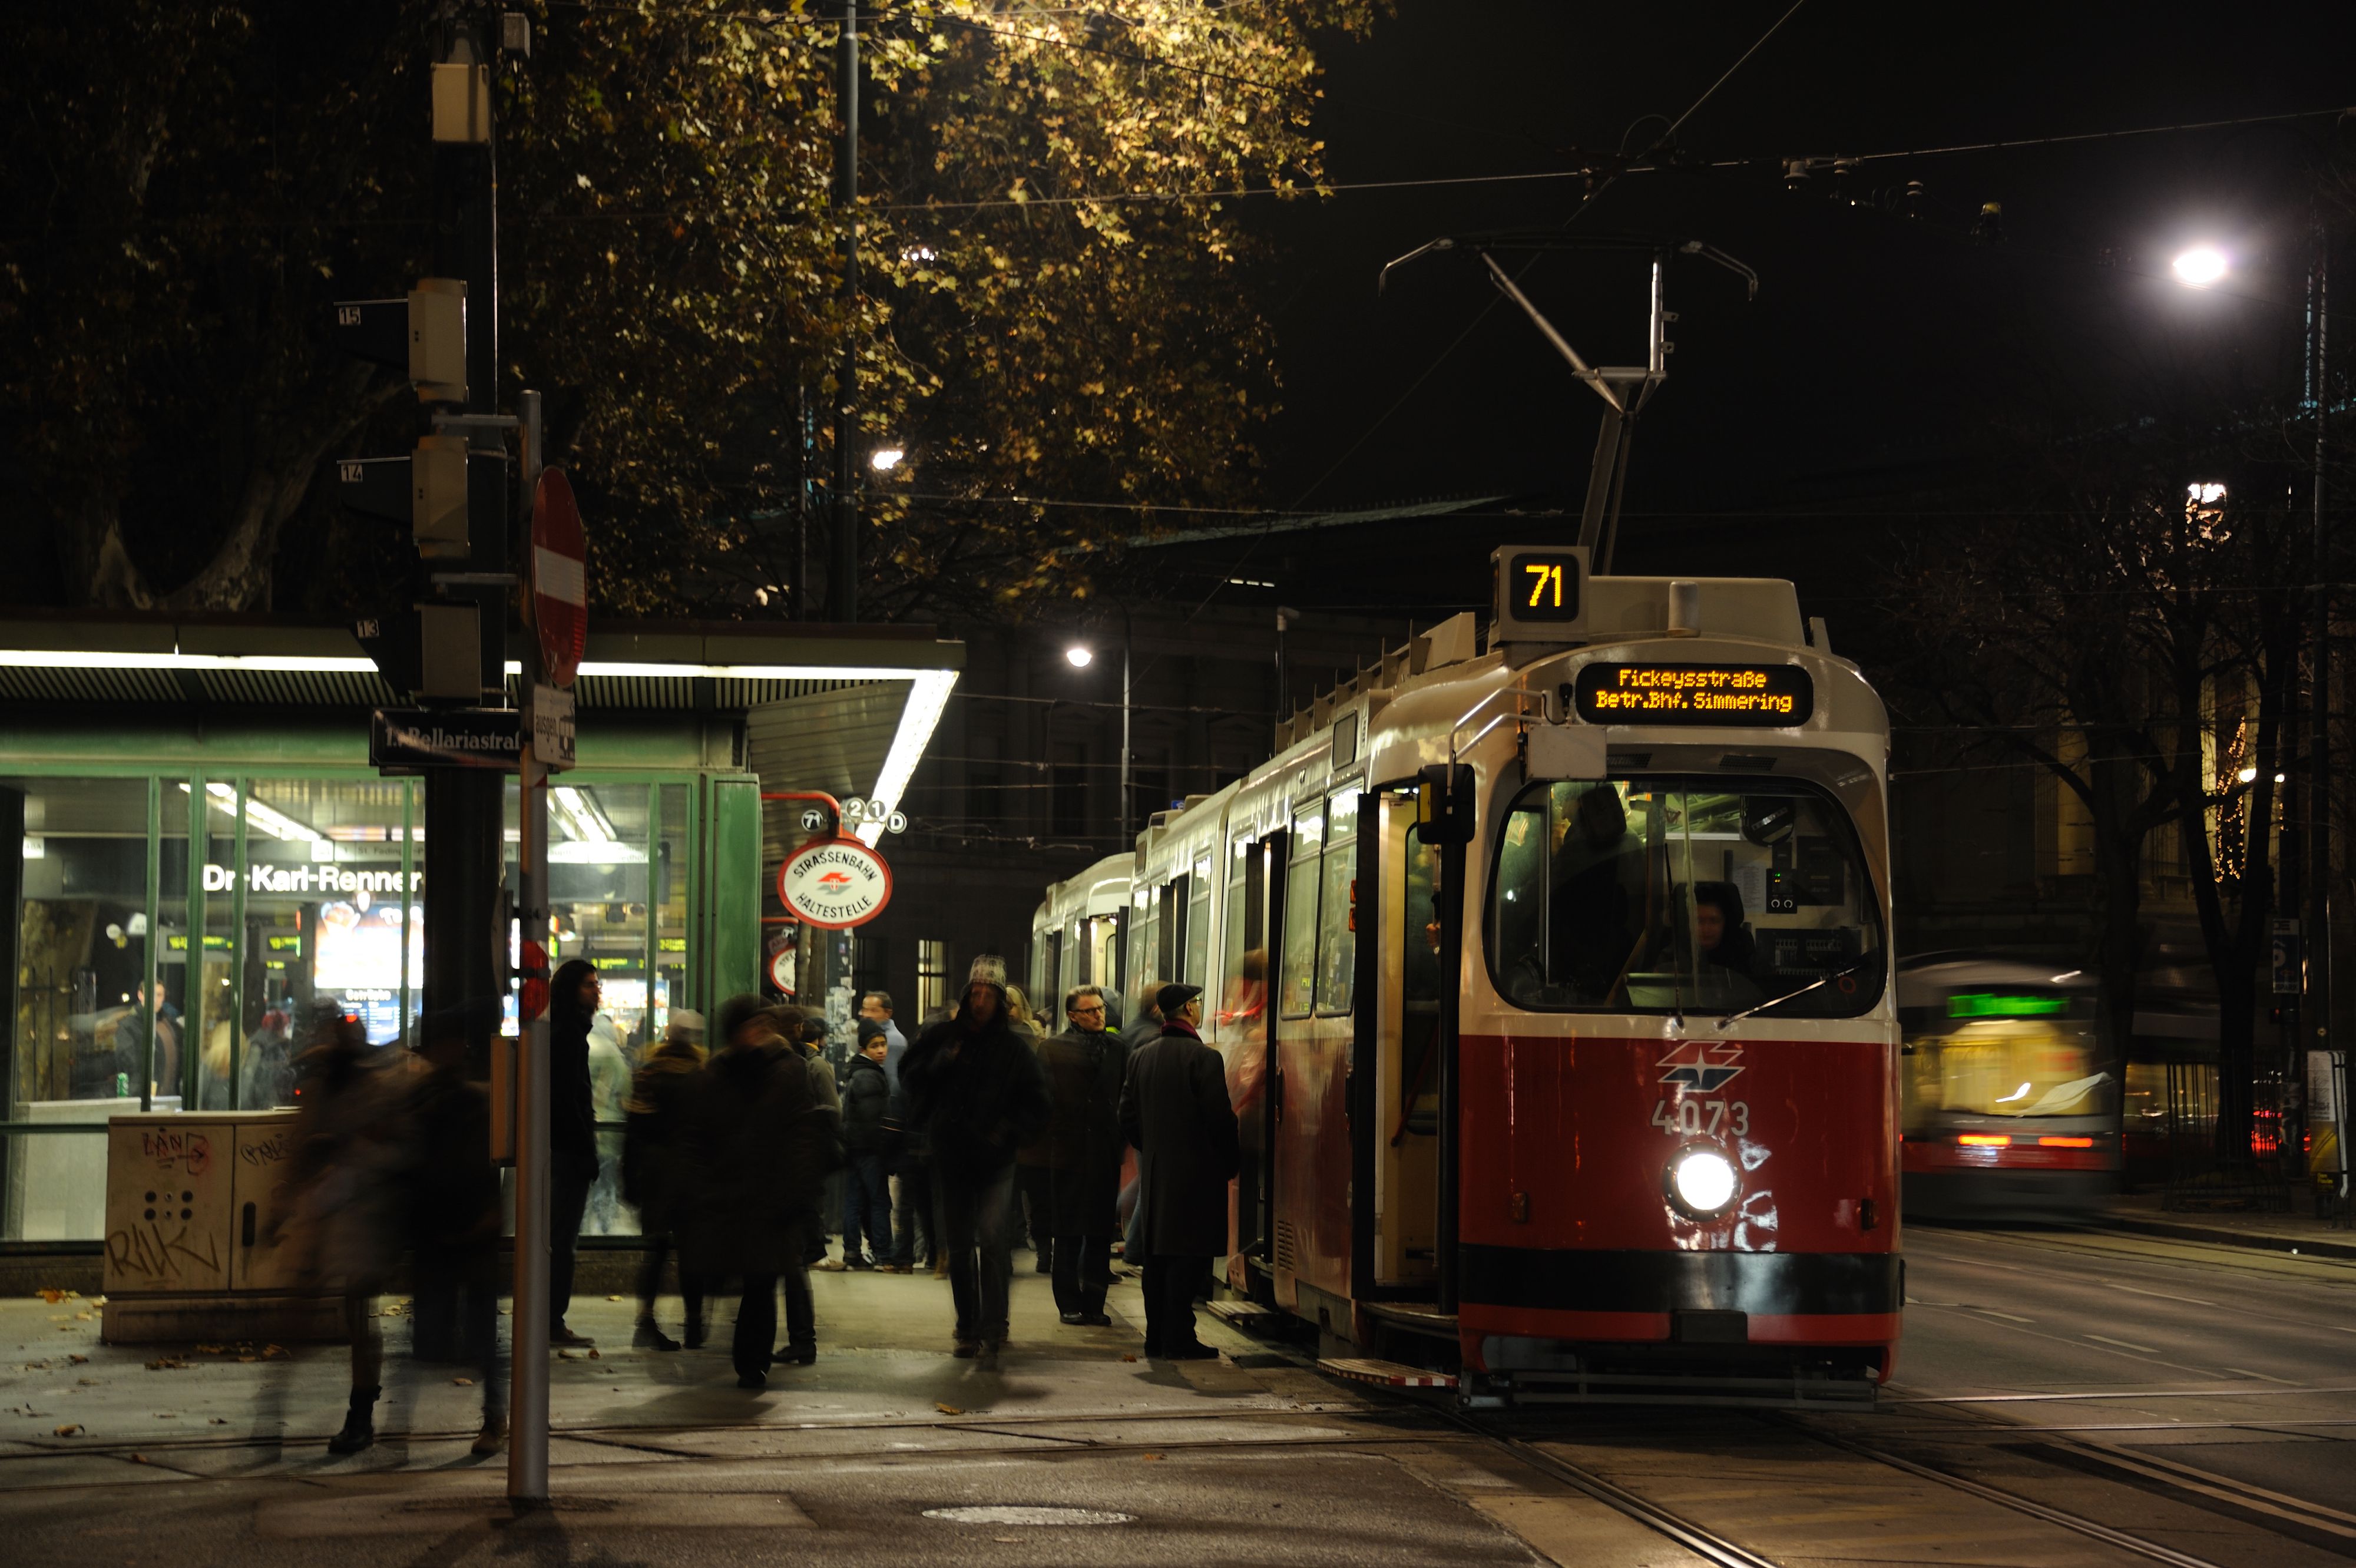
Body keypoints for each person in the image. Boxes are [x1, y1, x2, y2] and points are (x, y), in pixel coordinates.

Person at [273, 1006, 419, 1453]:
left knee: (355, 1318)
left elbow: (389, 1151)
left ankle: (358, 1416)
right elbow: (301, 1149)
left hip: (359, 1219)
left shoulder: (367, 1087)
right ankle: (300, 1409)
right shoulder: (338, 1085)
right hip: (334, 1216)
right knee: (328, 1314)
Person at [899, 954, 1050, 1364]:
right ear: (967, 996)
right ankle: (968, 1326)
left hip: (996, 1161)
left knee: (994, 1242)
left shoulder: (1014, 1049)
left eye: (988, 994)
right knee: (962, 1246)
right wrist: (939, 1065)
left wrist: (1007, 1131)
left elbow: (1038, 1103)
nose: (980, 1001)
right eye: (975, 993)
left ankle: (993, 1324)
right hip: (953, 1157)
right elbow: (911, 1078)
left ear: (1000, 1001)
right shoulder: (944, 1037)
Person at [682, 995, 833, 1388]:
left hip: (771, 1200)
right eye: (755, 1026)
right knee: (743, 1279)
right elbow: (696, 1138)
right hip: (730, 1198)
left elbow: (801, 1136)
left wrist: (798, 1193)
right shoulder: (716, 1075)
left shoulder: (787, 1069)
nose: (762, 1032)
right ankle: (745, 1356)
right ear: (737, 1032)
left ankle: (752, 1364)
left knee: (761, 1283)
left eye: (765, 1025)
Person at [1117, 982, 1238, 1361]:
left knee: (1157, 1258)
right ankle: (1179, 1338)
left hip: (1157, 1172)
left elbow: (1126, 1114)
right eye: (1197, 1003)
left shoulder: (1142, 1055)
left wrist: (1150, 1146)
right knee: (1189, 1257)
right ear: (1188, 1009)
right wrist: (1228, 1161)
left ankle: (1156, 1337)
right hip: (1197, 1175)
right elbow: (1219, 1118)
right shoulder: (1204, 1058)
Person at [406, 1001, 506, 1455]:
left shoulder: (447, 1098)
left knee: (472, 1333)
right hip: (455, 1226)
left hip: (455, 1226)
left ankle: (493, 1416)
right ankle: (493, 1417)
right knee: (465, 1332)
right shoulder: (457, 1097)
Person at [1039, 984, 1129, 1326]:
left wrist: (1119, 1138)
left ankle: (1095, 1304)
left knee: (1099, 1233)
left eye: (1101, 1009)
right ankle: (1068, 1304)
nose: (1098, 1015)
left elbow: (1126, 1095)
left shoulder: (1118, 1048)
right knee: (1067, 1232)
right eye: (1090, 1011)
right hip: (1068, 1150)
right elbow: (1043, 1100)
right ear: (1073, 1016)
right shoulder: (1052, 1049)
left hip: (1104, 1152)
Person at [622, 1009, 708, 1350]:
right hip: (691, 1174)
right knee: (692, 1253)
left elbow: (634, 1130)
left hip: (656, 1175)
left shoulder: (650, 1071)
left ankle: (646, 1321)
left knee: (656, 1251)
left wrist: (630, 1179)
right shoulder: (703, 1074)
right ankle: (694, 1324)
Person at [547, 958, 602, 1347]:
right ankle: (552, 1320)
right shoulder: (568, 1035)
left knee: (558, 1238)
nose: (597, 991)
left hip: (562, 1150)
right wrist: (586, 1151)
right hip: (568, 1153)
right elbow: (569, 1101)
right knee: (561, 1240)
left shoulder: (565, 1031)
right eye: (589, 985)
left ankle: (550, 1318)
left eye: (597, 984)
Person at [832, 1019, 897, 1271]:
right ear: (863, 1049)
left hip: (855, 1149)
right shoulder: (870, 1076)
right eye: (875, 1046)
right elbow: (871, 1121)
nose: (881, 1050)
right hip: (870, 1150)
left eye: (883, 1044)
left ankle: (852, 1252)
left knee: (854, 1201)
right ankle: (883, 1255)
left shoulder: (858, 1073)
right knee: (879, 1201)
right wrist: (883, 1149)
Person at [859, 990, 909, 1090]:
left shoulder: (893, 1040)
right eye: (865, 1010)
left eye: (874, 1011)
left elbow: (891, 1081)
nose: (867, 1015)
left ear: (888, 1014)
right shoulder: (870, 1034)